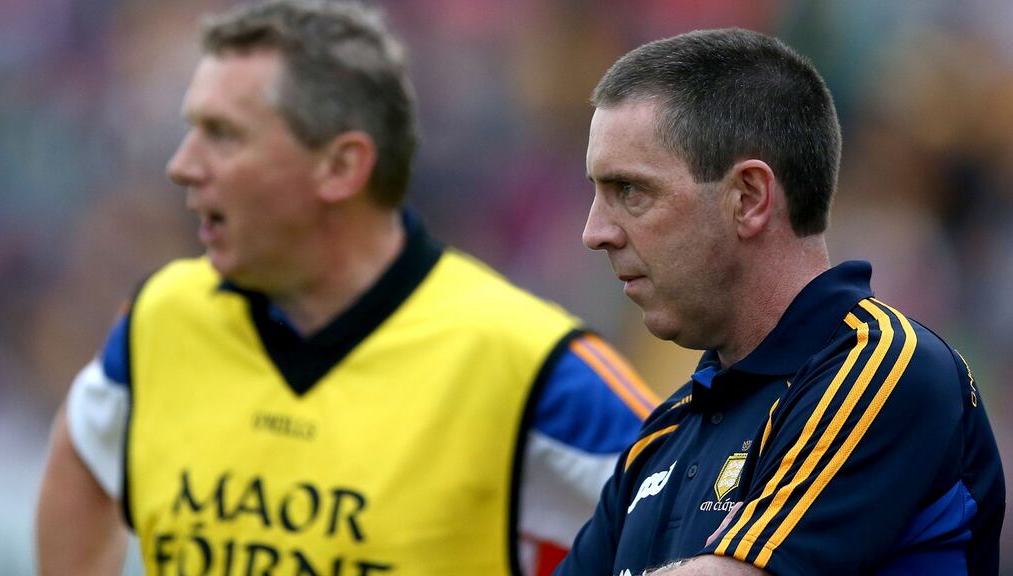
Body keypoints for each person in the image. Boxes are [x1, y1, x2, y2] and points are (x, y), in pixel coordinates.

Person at [35, 1, 658, 574]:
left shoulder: (525, 359)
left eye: (222, 135)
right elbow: (83, 452)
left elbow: (693, 497)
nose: (182, 166)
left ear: (340, 166)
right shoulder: (163, 318)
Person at [557, 28, 1005, 576]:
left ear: (748, 197)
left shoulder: (887, 370)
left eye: (630, 191)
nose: (594, 232)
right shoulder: (662, 436)